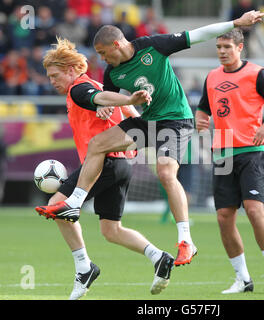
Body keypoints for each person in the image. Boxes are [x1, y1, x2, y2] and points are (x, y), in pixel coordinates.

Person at [35, 10, 264, 267]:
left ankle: (186, 241)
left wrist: (236, 23)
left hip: (176, 119)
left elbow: (198, 35)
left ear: (117, 44)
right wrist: (104, 108)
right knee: (98, 144)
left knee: (166, 173)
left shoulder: (154, 46)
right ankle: (75, 202)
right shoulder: (112, 73)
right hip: (149, 122)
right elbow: (110, 100)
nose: (101, 59)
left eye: (103, 53)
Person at [38, 37, 173, 300]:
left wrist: (109, 103)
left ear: (70, 69)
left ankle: (84, 267)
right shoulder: (95, 85)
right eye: (49, 76)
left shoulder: (79, 87)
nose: (52, 81)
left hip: (105, 162)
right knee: (110, 230)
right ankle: (159, 257)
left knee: (57, 204)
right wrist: (118, 107)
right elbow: (134, 114)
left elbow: (99, 97)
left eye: (55, 75)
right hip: (122, 164)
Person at [195, 28, 264, 293]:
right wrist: (201, 118)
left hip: (251, 150)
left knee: (254, 208)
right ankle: (243, 279)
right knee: (224, 217)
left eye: (227, 47)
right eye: (218, 48)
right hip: (222, 153)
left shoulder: (257, 74)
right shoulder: (211, 77)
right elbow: (204, 108)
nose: (222, 52)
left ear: (240, 47)